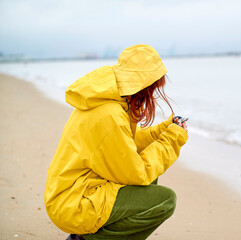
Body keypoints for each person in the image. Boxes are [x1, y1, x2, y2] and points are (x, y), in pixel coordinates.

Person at [44, 44, 189, 240]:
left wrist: (164, 130)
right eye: (154, 87)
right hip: (75, 203)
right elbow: (138, 173)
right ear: (144, 85)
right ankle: (83, 239)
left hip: (74, 193)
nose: (154, 94)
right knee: (165, 201)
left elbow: (126, 143)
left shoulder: (106, 101)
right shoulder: (110, 115)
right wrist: (173, 139)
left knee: (149, 181)